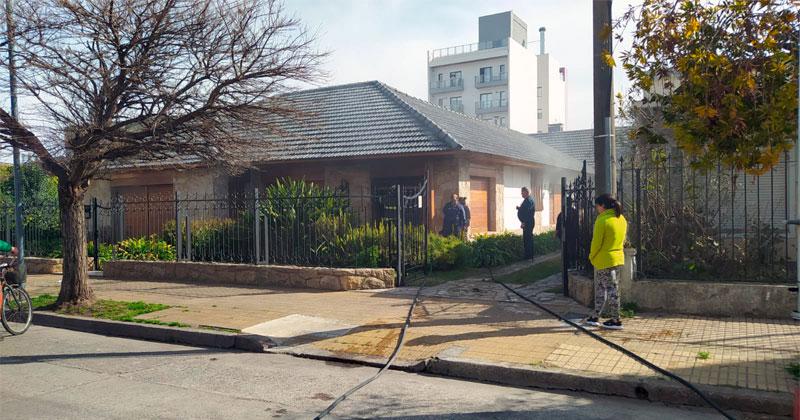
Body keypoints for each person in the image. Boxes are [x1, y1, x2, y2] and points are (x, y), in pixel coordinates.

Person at [586, 194, 628, 330]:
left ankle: (616, 320)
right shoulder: (621, 219)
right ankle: (595, 316)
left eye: (597, 206)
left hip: (604, 260)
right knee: (601, 288)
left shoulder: (602, 220)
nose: (596, 209)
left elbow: (596, 243)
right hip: (617, 258)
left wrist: (592, 256)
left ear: (602, 205)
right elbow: (623, 239)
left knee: (610, 290)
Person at [516, 187, 536, 259]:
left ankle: (529, 256)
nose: (521, 193)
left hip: (528, 222)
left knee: (528, 239)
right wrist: (519, 208)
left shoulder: (529, 200)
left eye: (522, 192)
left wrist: (524, 222)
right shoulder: (527, 200)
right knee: (526, 238)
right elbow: (524, 210)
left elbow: (528, 213)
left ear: (526, 192)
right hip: (527, 221)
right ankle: (528, 255)